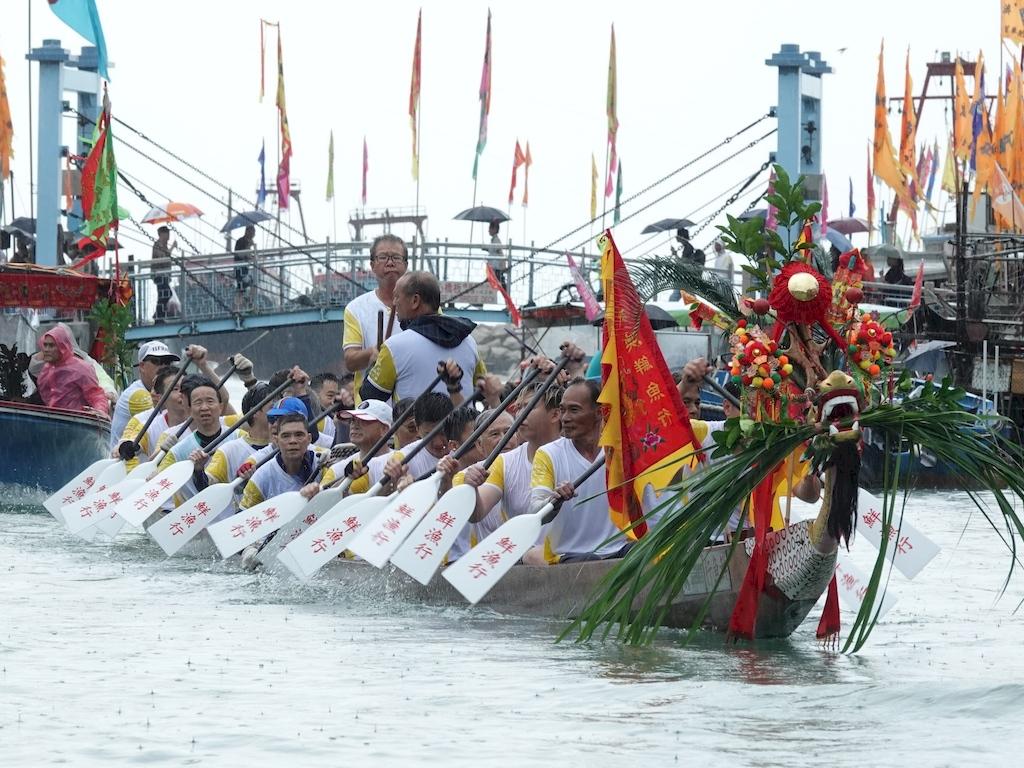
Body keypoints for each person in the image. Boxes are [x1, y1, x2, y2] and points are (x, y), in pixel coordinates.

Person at [523, 378, 625, 565]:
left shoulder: (620, 450)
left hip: (619, 548)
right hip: (569, 554)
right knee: (587, 561)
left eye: (574, 410)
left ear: (599, 412)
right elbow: (536, 511)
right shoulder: (548, 454)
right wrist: (554, 502)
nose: (565, 418)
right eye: (562, 410)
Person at [360, 271, 485, 405]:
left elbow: (370, 395)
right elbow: (482, 390)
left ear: (415, 301)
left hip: (412, 419)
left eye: (397, 296)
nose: (394, 302)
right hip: (462, 419)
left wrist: (374, 363)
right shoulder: (469, 342)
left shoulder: (395, 347)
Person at [343, 234, 409, 401]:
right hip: (370, 408)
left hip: (412, 407)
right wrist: (371, 354)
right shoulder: (356, 308)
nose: (390, 262)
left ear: (406, 265)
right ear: (372, 265)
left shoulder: (422, 304)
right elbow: (350, 361)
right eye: (383, 257)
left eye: (396, 257)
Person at [33, 325, 109, 417]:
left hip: (77, 421)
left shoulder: (82, 368)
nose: (46, 350)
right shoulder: (46, 370)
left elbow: (96, 395)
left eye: (51, 345)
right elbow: (47, 398)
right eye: (45, 345)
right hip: (54, 421)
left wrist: (100, 411)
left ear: (62, 347)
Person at [152, 226, 176, 322]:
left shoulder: (164, 245)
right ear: (161, 234)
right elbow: (162, 257)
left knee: (163, 295)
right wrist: (172, 247)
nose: (168, 235)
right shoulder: (158, 245)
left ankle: (159, 316)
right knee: (166, 294)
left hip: (164, 275)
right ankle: (158, 315)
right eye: (166, 233)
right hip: (159, 275)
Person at [234, 224, 257, 311]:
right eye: (252, 232)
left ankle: (247, 304)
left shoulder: (248, 242)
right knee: (242, 289)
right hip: (240, 270)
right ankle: (240, 308)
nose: (253, 234)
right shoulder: (240, 241)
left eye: (254, 233)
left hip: (244, 270)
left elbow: (249, 255)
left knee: (244, 288)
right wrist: (249, 247)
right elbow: (240, 255)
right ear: (247, 232)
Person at [486, 219, 509, 288]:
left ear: (495, 229)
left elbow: (499, 252)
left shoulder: (496, 240)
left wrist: (503, 266)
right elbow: (495, 251)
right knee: (500, 284)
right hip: (494, 267)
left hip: (496, 268)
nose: (488, 230)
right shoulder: (494, 240)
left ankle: (507, 294)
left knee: (501, 284)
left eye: (490, 228)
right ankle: (506, 293)